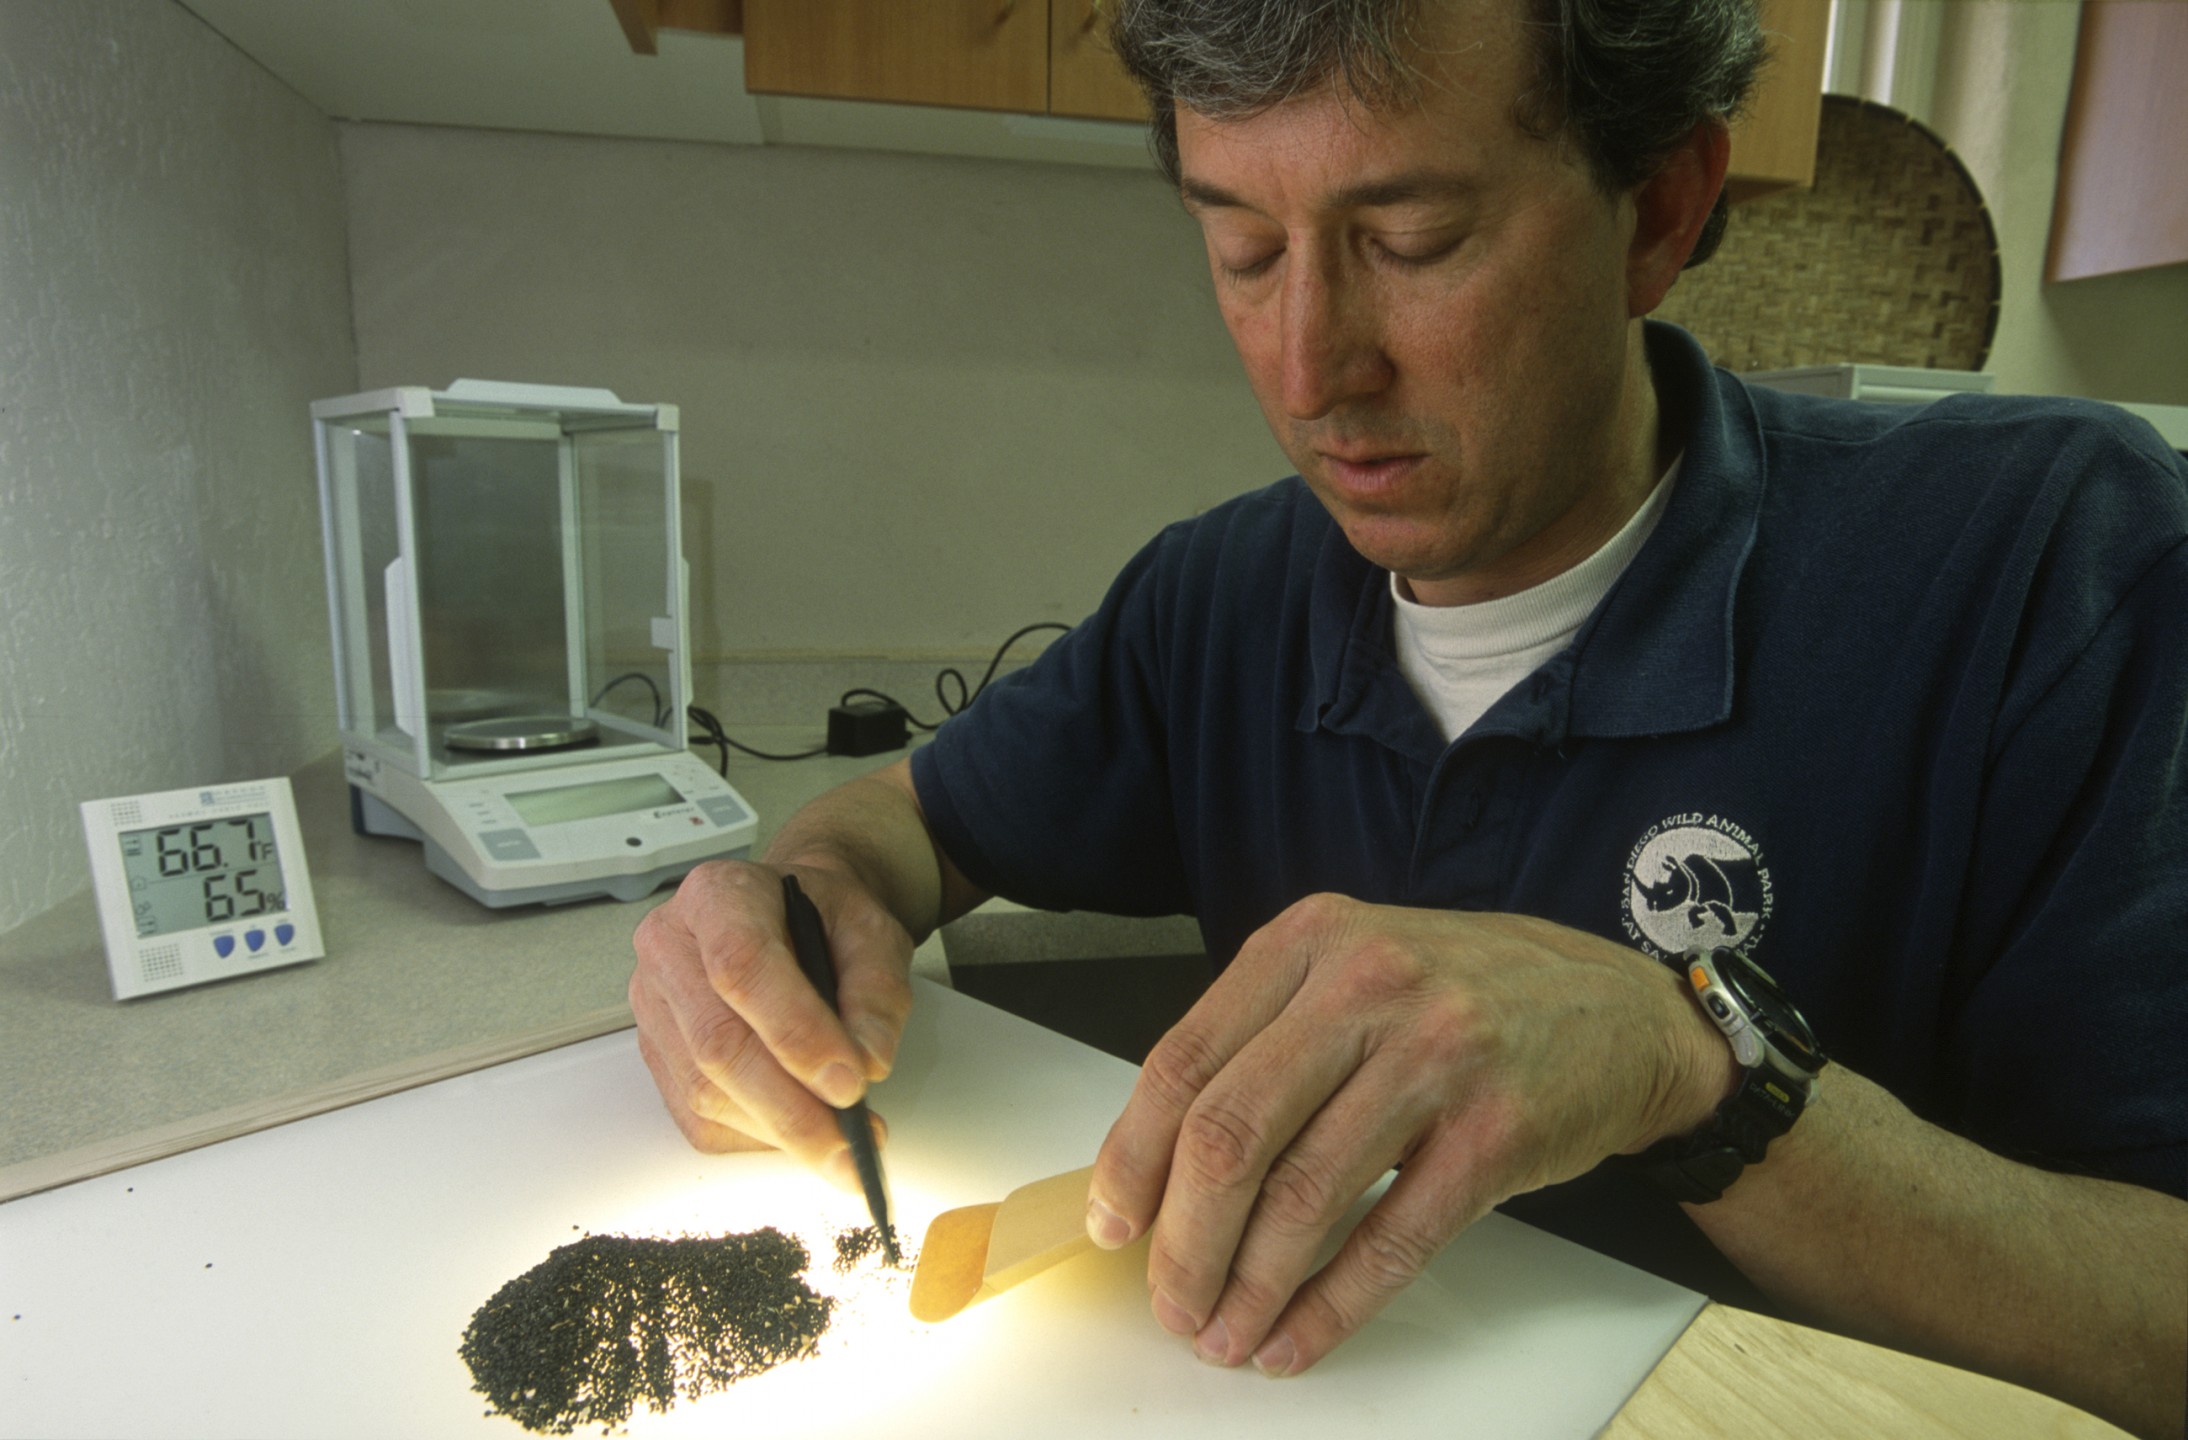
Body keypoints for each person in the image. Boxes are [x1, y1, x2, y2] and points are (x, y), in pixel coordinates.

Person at [627, 1, 2188, 1433]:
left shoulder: (2056, 563)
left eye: (1417, 239)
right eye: (1241, 249)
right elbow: (905, 822)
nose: (1313, 369)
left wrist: (1692, 1066)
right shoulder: (1217, 601)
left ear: (1660, 208)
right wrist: (802, 896)